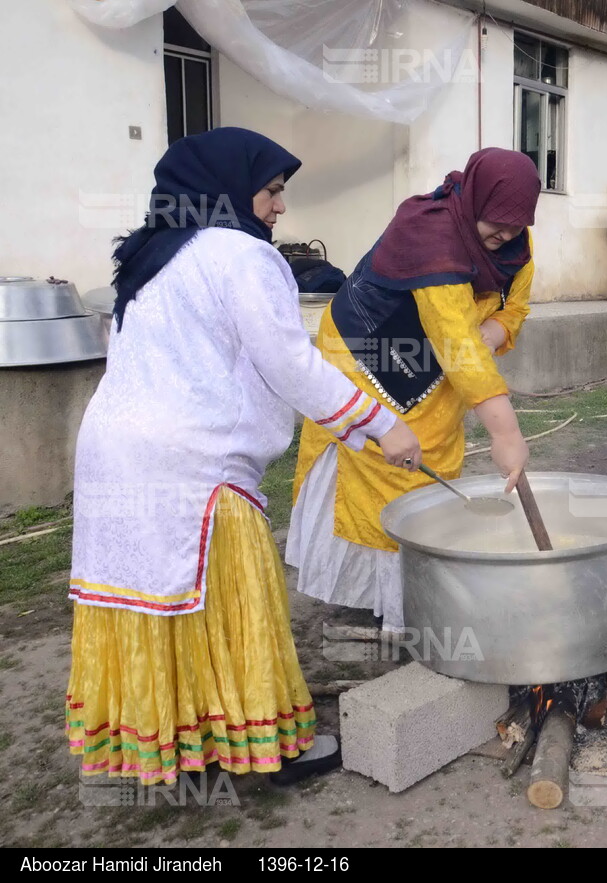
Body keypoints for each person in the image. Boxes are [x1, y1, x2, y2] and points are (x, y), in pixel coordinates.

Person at [65, 127, 422, 786]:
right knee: (232, 605)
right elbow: (288, 362)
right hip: (190, 465)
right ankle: (264, 747)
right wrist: (381, 423)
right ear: (231, 188)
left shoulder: (149, 258)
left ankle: (180, 744)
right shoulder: (242, 256)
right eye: (273, 191)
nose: (281, 208)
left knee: (154, 605)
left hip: (112, 456)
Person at [286, 148, 538, 633]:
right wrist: (506, 436)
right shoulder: (432, 233)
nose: (505, 236)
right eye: (497, 223)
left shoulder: (515, 247)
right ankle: (400, 607)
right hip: (368, 350)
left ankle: (411, 588)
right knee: (391, 463)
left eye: (515, 225)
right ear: (476, 197)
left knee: (434, 460)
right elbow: (456, 341)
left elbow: (513, 311)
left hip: (442, 357)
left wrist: (496, 332)